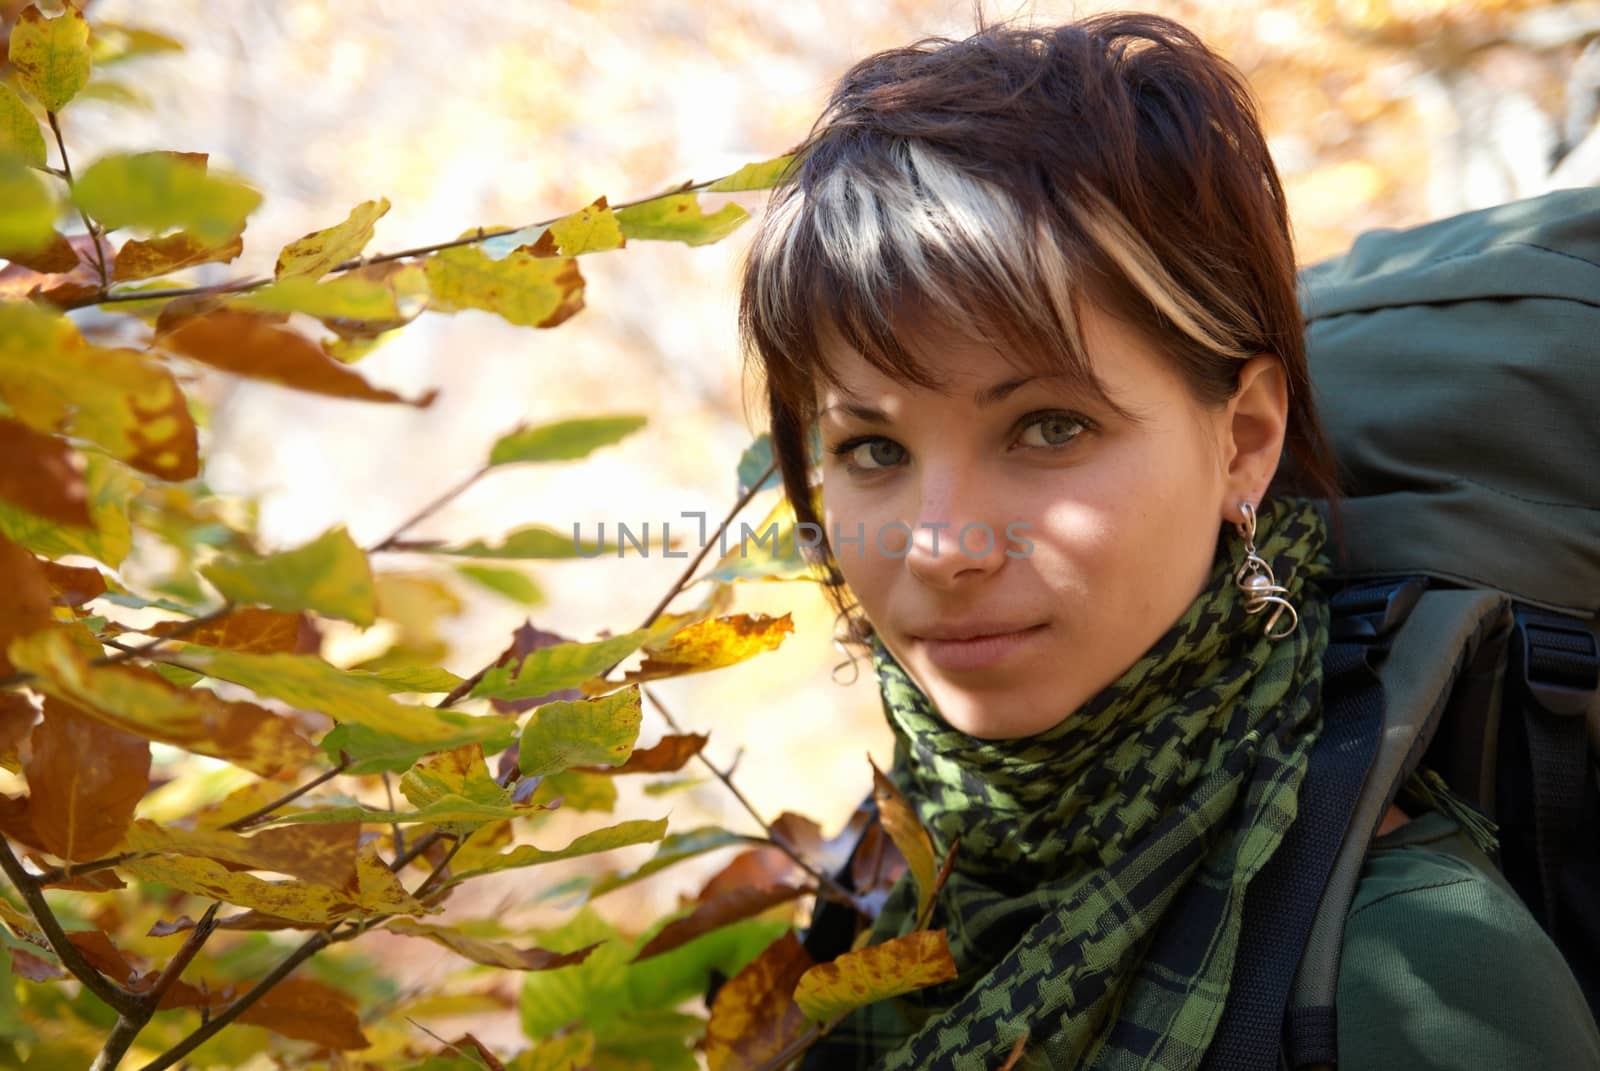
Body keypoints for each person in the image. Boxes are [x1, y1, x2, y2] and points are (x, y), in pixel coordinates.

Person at [734, 11, 1600, 1071]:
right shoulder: (886, 894)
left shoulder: (1413, 973)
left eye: (1048, 427)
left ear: (1243, 441)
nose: (939, 546)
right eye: (871, 447)